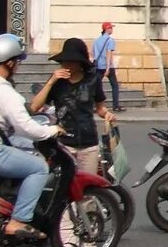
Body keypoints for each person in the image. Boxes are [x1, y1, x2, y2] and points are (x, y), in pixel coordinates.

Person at [0, 33, 61, 243]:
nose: (19, 66)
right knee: (38, 167)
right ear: (10, 62)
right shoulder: (4, 91)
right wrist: (52, 130)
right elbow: (25, 126)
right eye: (18, 62)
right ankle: (19, 221)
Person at [30, 38, 110, 177]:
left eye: (72, 61)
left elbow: (100, 108)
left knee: (87, 187)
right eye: (65, 61)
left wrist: (107, 114)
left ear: (81, 63)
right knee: (63, 186)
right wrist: (51, 82)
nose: (67, 65)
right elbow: (35, 107)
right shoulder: (57, 82)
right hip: (64, 143)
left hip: (88, 143)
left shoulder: (93, 80)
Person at [91, 20, 118, 109]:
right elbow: (109, 53)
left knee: (97, 86)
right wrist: (107, 68)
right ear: (107, 29)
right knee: (114, 85)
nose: (112, 30)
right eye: (111, 28)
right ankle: (116, 106)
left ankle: (96, 106)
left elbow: (93, 53)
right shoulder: (110, 40)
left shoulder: (96, 40)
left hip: (98, 66)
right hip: (107, 66)